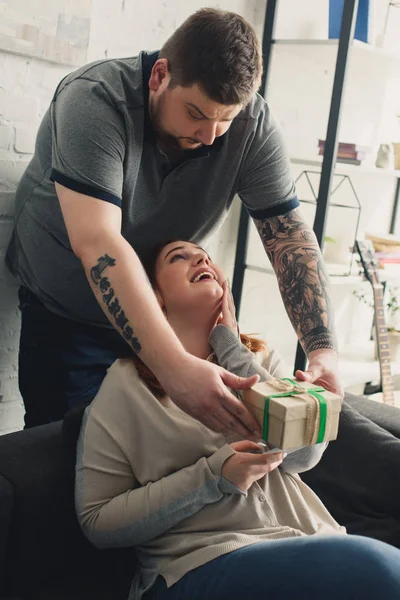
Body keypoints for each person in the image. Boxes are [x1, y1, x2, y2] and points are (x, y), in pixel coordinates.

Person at [6, 7, 341, 430]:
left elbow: (289, 238)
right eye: (197, 114)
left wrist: (322, 349)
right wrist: (175, 368)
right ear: (159, 75)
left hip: (170, 320)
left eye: (226, 119)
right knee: (66, 460)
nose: (209, 136)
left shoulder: (253, 128)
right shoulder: (94, 99)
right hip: (69, 320)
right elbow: (98, 242)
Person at [75, 240, 400, 600]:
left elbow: (304, 456)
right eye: (178, 257)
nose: (201, 258)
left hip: (308, 541)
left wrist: (232, 349)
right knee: (379, 568)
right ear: (152, 296)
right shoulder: (126, 387)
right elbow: (97, 522)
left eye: (206, 255)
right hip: (199, 563)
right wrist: (214, 476)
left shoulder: (260, 359)